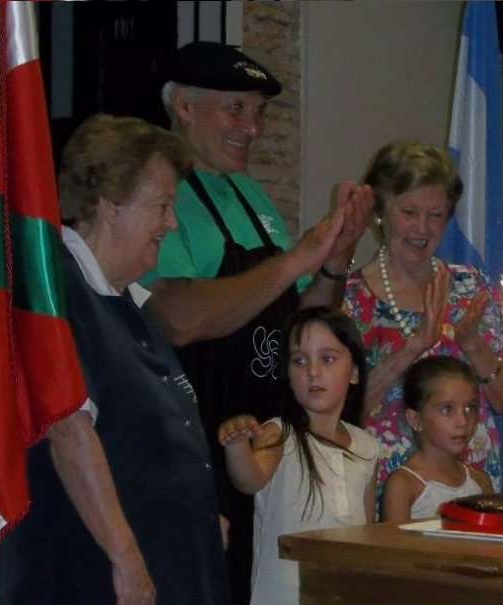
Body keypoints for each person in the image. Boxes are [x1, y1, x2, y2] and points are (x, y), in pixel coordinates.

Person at [143, 41, 373, 604]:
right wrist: (297, 257)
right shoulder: (159, 194)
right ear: (184, 107)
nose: (253, 127)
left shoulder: (251, 196)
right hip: (195, 451)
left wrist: (336, 258)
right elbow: (176, 319)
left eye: (259, 111)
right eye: (236, 109)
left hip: (263, 453)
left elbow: (301, 324)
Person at [0, 114, 229, 605]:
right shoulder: (54, 294)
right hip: (93, 581)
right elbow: (69, 432)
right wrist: (127, 560)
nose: (171, 222)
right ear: (110, 205)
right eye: (163, 205)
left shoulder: (125, 302)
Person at [342, 140, 503, 511]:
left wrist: (472, 344)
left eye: (436, 214)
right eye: (409, 212)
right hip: (390, 490)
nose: (422, 228)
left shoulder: (472, 287)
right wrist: (412, 348)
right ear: (380, 211)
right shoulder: (350, 301)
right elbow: (340, 411)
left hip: (471, 486)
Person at [217, 306, 377, 605]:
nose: (313, 371)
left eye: (327, 359)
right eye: (299, 361)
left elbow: (365, 532)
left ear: (354, 372)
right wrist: (236, 445)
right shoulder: (279, 433)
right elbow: (249, 479)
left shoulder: (367, 447)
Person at [381, 356, 494, 523]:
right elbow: (393, 547)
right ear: (415, 420)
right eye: (447, 409)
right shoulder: (404, 485)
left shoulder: (480, 482)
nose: (463, 421)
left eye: (470, 407)